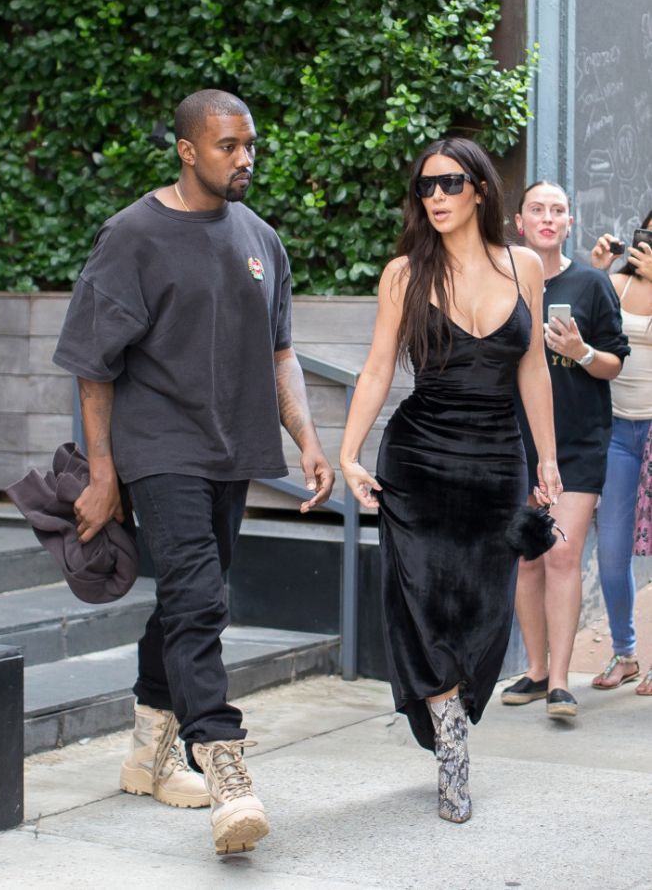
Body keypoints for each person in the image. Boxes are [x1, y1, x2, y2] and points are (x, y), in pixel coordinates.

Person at [53, 89, 335, 855]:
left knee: (187, 598)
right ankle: (222, 756)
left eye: (251, 145)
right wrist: (103, 471)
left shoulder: (260, 238)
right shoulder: (133, 235)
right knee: (200, 597)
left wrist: (309, 439)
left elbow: (281, 353)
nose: (245, 159)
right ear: (187, 150)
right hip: (159, 448)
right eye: (228, 146)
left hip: (231, 449)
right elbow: (92, 366)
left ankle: (148, 746)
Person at [340, 138, 562, 823]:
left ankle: (455, 712)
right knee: (423, 601)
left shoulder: (524, 265)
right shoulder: (404, 274)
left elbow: (533, 366)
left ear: (481, 189)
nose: (435, 197)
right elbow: (378, 368)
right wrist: (348, 453)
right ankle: (451, 745)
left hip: (497, 461)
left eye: (449, 184)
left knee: (488, 609)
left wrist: (548, 457)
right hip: (418, 460)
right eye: (425, 187)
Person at [501, 182, 629, 717]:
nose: (548, 218)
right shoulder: (503, 281)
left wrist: (581, 351)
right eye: (537, 209)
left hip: (579, 440)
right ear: (519, 222)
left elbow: (614, 363)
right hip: (514, 441)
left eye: (558, 210)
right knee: (526, 556)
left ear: (570, 223)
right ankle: (534, 671)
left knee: (562, 552)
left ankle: (559, 681)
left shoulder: (592, 284)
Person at [589, 210, 652, 696]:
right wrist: (597, 273)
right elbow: (587, 338)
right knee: (611, 553)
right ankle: (625, 653)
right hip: (615, 431)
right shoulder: (616, 284)